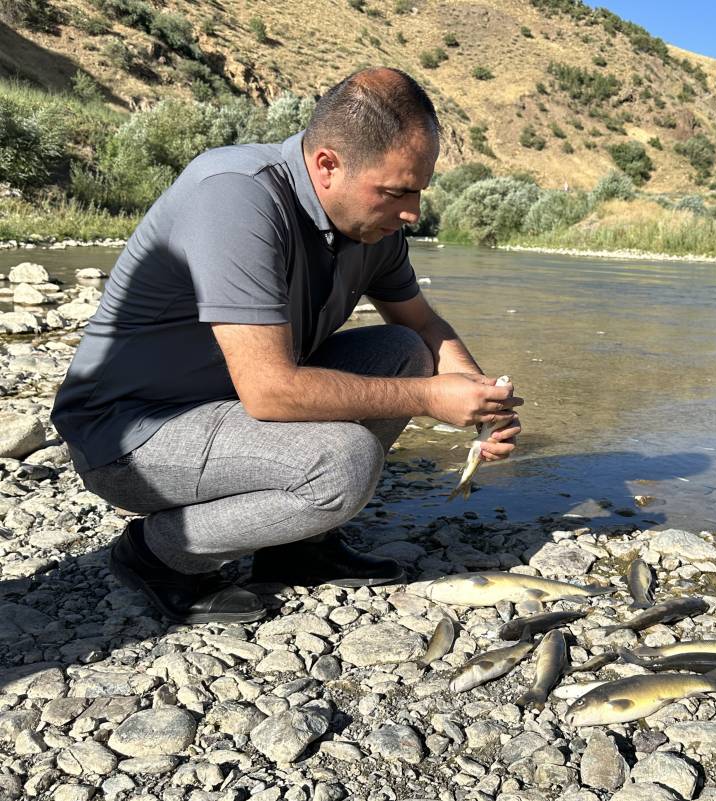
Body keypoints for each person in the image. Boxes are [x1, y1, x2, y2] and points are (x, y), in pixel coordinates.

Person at [51, 67, 522, 625]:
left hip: (227, 406)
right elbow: (271, 393)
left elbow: (424, 326)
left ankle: (298, 547)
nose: (412, 214)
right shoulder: (236, 195)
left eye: (418, 191)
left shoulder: (375, 227)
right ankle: (156, 555)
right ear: (327, 165)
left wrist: (480, 396)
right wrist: (428, 399)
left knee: (402, 349)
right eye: (396, 192)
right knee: (340, 465)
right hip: (132, 434)